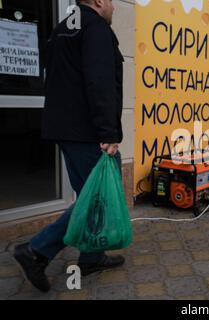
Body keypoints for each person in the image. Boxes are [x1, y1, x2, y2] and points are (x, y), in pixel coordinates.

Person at [13, 0, 125, 292]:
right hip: (89, 132)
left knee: (89, 197)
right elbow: (99, 83)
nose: (113, 7)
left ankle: (91, 256)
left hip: (67, 130)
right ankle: (36, 251)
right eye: (111, 1)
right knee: (95, 201)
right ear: (99, 2)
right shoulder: (95, 27)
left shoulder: (62, 29)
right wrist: (108, 132)